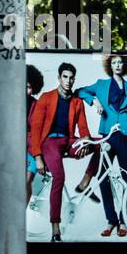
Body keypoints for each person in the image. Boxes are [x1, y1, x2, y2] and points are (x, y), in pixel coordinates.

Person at [74, 54, 127, 236]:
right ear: (110, 65)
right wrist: (94, 101)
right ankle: (111, 220)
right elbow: (80, 91)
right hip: (107, 136)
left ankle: (124, 221)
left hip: (126, 136)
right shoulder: (101, 84)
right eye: (114, 62)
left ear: (124, 65)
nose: (117, 65)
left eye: (120, 62)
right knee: (103, 177)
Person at [29, 62, 91, 242]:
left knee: (101, 145)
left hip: (68, 140)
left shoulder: (77, 102)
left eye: (71, 78)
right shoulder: (46, 98)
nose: (68, 81)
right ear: (59, 78)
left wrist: (86, 141)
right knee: (59, 177)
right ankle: (55, 229)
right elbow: (36, 130)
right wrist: (38, 158)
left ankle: (86, 180)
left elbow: (84, 128)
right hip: (50, 143)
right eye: (65, 77)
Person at [25, 64, 44, 204]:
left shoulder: (37, 105)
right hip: (11, 149)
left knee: (26, 180)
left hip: (31, 148)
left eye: (29, 87)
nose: (25, 91)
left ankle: (19, 216)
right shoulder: (6, 103)